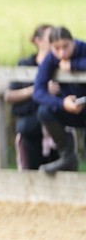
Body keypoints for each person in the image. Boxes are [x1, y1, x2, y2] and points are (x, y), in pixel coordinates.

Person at [4, 24, 58, 170]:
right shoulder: (25, 65)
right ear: (38, 41)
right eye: (51, 37)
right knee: (30, 174)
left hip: (55, 133)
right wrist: (38, 90)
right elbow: (9, 95)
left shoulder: (61, 66)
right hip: (29, 129)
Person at [33, 26, 86, 173]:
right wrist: (63, 103)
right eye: (57, 48)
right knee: (44, 112)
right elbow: (38, 92)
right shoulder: (51, 58)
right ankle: (67, 156)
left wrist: (74, 65)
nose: (62, 52)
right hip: (70, 108)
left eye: (65, 47)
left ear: (73, 42)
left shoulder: (83, 48)